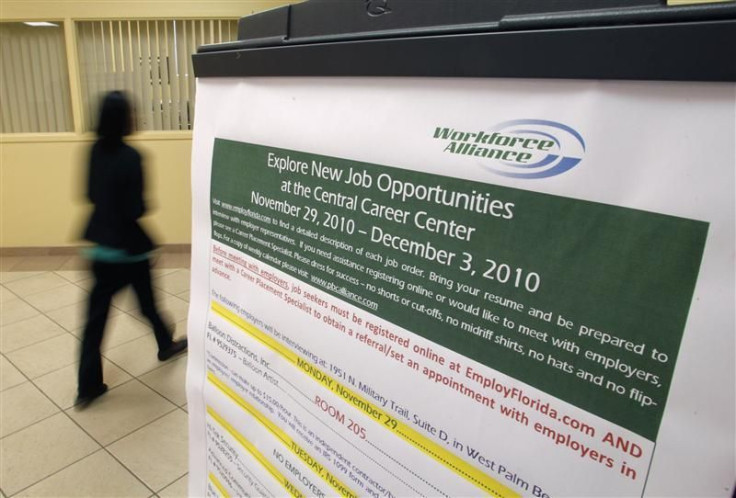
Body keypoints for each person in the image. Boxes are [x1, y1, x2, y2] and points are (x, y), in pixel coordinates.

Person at [77, 91, 187, 407]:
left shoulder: (93, 151)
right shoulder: (132, 157)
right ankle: (166, 345)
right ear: (125, 119)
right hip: (130, 252)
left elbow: (88, 194)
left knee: (94, 321)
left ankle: (87, 387)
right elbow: (136, 209)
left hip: (100, 250)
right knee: (148, 305)